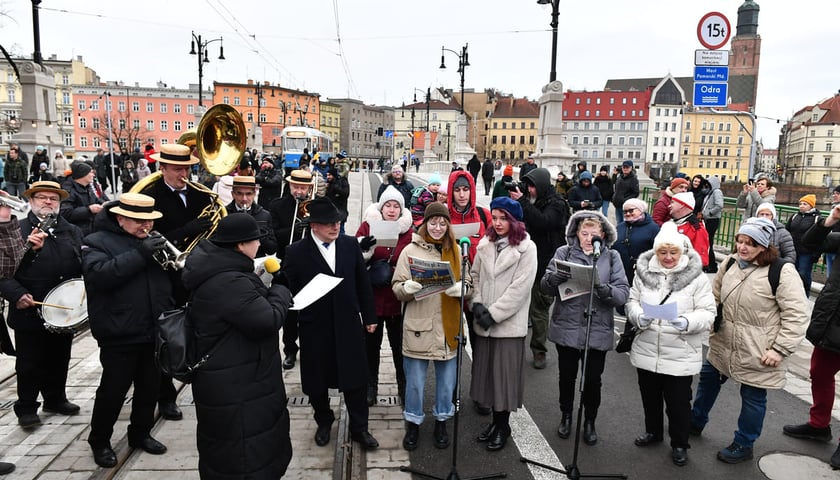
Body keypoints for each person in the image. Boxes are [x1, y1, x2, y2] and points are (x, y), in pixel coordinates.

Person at [181, 214, 294, 478]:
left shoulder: (217, 269)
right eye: (256, 239)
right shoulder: (229, 281)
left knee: (231, 451)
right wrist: (280, 290)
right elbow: (267, 319)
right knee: (244, 457)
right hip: (239, 387)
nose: (260, 245)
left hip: (230, 379)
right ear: (241, 245)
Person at [690, 217, 809, 464]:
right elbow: (714, 294)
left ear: (764, 246)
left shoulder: (781, 271)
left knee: (753, 397)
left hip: (759, 349)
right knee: (707, 382)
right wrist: (711, 319)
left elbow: (797, 314)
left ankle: (744, 443)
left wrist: (780, 349)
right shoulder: (731, 263)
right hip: (723, 341)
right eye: (740, 241)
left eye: (751, 243)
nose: (743, 247)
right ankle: (695, 422)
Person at [82, 193, 173, 468]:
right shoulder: (95, 242)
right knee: (113, 390)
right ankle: (99, 440)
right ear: (120, 218)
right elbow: (101, 276)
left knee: (149, 387)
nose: (145, 226)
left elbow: (164, 278)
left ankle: (140, 433)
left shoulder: (151, 240)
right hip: (119, 330)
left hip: (152, 326)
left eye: (148, 220)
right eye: (138, 221)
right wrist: (140, 254)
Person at [282, 198, 379, 450]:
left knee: (355, 379)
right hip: (315, 326)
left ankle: (360, 428)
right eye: (329, 224)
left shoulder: (348, 245)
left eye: (338, 222)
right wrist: (289, 337)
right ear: (314, 225)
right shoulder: (296, 252)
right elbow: (290, 295)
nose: (335, 227)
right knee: (317, 380)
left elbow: (362, 283)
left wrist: (369, 317)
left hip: (348, 323)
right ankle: (323, 420)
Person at [136, 143, 216, 421]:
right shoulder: (149, 195)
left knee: (200, 331)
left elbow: (213, 228)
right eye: (177, 169)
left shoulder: (200, 194)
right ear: (163, 169)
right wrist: (187, 231)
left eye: (187, 168)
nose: (184, 173)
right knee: (167, 338)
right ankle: (166, 396)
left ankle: (202, 381)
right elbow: (146, 234)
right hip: (164, 275)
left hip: (197, 273)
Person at [625, 222, 716, 466]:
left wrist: (686, 321)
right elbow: (632, 301)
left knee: (678, 403)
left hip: (680, 350)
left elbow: (709, 312)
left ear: (682, 251)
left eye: (673, 253)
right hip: (647, 345)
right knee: (649, 396)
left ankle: (679, 443)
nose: (668, 258)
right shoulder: (644, 273)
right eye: (662, 253)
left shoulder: (696, 277)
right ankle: (653, 432)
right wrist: (638, 316)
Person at [540, 210, 629, 445]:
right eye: (584, 232)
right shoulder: (564, 252)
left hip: (597, 328)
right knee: (567, 377)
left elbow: (622, 294)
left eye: (594, 233)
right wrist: (557, 277)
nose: (589, 238)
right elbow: (545, 286)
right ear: (576, 233)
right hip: (567, 325)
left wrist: (602, 288)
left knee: (592, 380)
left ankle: (590, 420)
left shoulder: (612, 257)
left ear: (603, 234)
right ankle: (566, 415)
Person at [0, 181, 83, 429]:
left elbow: (80, 261)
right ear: (32, 202)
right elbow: (3, 272)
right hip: (30, 306)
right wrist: (16, 295)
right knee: (29, 363)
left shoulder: (71, 230)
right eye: (42, 198)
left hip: (63, 309)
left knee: (60, 357)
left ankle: (55, 399)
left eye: (53, 199)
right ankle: (26, 407)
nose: (48, 202)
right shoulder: (17, 230)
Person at [392, 202, 468, 451]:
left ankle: (442, 421)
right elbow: (397, 286)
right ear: (425, 223)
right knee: (414, 382)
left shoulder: (456, 250)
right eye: (433, 222)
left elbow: (469, 282)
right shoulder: (410, 251)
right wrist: (407, 289)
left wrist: (463, 290)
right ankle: (413, 422)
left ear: (448, 225)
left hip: (448, 327)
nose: (437, 227)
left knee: (447, 383)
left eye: (442, 223)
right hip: (419, 324)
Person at [469, 197, 537, 451]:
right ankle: (495, 423)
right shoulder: (486, 243)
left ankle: (503, 426)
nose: (497, 223)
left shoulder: (527, 248)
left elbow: (520, 288)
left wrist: (494, 313)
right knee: (487, 376)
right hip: (483, 321)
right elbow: (474, 275)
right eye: (494, 218)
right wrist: (476, 303)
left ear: (514, 220)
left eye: (503, 218)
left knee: (504, 378)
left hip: (507, 325)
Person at [783, 203, 840, 468]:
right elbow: (810, 243)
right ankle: (819, 425)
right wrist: (828, 221)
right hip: (833, 320)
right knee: (818, 372)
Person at [356, 186, 414, 406]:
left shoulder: (409, 231)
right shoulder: (367, 226)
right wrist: (363, 250)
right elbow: (353, 259)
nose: (391, 210)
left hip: (398, 298)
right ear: (381, 208)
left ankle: (403, 384)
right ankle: (371, 385)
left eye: (396, 206)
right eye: (388, 206)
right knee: (371, 346)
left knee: (400, 347)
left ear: (401, 209)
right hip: (372, 297)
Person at [509, 167, 569, 369]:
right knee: (516, 306)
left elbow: (544, 222)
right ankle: (512, 349)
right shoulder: (529, 201)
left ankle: (539, 351)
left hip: (545, 265)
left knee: (539, 311)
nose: (530, 190)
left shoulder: (557, 204)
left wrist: (522, 202)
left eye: (532, 186)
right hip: (524, 260)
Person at [269, 169, 315, 370]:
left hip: (311, 263)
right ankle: (289, 348)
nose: (299, 191)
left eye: (303, 188)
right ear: (289, 186)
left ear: (309, 188)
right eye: (295, 187)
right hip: (285, 263)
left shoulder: (316, 205)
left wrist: (312, 224)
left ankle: (311, 348)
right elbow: (272, 235)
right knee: (289, 310)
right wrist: (293, 229)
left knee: (310, 308)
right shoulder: (277, 205)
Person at [613, 198, 660, 318]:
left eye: (631, 210)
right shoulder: (620, 227)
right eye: (625, 211)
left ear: (641, 210)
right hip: (623, 270)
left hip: (643, 272)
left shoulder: (653, 228)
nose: (628, 214)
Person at [225, 176, 277, 257]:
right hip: (230, 262)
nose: (244, 198)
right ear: (233, 194)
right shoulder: (224, 214)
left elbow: (271, 249)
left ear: (254, 194)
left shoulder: (264, 215)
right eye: (239, 193)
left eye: (248, 194)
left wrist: (260, 234)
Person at [787, 194, 822, 294]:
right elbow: (787, 231)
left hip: (807, 253)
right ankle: (792, 294)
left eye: (805, 204)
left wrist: (816, 254)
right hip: (793, 250)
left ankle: (805, 295)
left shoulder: (817, 219)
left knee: (804, 274)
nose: (801, 206)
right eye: (800, 204)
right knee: (791, 273)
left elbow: (820, 239)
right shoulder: (794, 216)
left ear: (811, 206)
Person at [667, 192, 710, 268]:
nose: (669, 205)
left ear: (682, 205)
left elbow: (701, 260)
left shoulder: (696, 229)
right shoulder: (670, 224)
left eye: (673, 202)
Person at [700, 176, 724, 272]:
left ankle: (712, 265)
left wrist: (709, 213)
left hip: (712, 219)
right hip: (708, 219)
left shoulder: (717, 192)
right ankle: (709, 264)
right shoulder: (710, 192)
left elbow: (719, 205)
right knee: (707, 241)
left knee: (709, 242)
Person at [326, 167, 350, 234]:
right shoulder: (328, 184)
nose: (328, 177)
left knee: (340, 231)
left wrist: (334, 186)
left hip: (340, 212)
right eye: (327, 175)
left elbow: (346, 193)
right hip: (330, 213)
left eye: (330, 175)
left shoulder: (342, 181)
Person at [824, 186, 840, 275]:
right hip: (830, 244)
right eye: (834, 193)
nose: (834, 195)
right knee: (830, 273)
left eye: (837, 194)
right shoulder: (834, 207)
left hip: (837, 246)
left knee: (834, 273)